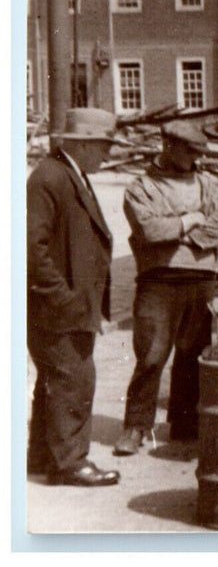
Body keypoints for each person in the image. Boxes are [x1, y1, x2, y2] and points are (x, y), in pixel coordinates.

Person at [113, 121, 218, 455]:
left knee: (193, 353)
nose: (195, 158)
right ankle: (136, 427)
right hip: (158, 279)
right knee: (151, 354)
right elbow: (149, 230)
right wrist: (190, 219)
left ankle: (185, 423)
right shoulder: (141, 187)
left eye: (198, 152)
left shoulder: (207, 183)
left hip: (202, 278)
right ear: (168, 145)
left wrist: (176, 232)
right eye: (189, 151)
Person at [27, 108, 123, 486]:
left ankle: (42, 456)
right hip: (56, 309)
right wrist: (63, 299)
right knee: (74, 380)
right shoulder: (51, 178)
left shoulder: (66, 173)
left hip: (64, 305)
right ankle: (70, 463)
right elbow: (31, 250)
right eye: (103, 146)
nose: (108, 154)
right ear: (81, 144)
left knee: (55, 381)